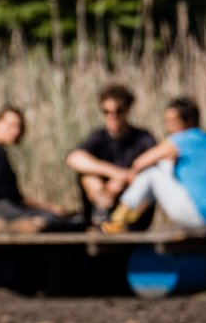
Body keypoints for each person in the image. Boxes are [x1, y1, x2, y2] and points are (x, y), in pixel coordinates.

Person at [102, 97, 206, 233]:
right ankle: (131, 217)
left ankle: (117, 219)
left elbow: (140, 162)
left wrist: (127, 177)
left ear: (189, 121)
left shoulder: (185, 138)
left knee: (152, 173)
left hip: (201, 216)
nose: (168, 127)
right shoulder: (204, 138)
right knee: (163, 167)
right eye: (166, 122)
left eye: (172, 122)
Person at [0, 106, 80, 232]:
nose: (15, 131)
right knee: (54, 218)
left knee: (49, 216)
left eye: (18, 127)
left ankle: (12, 226)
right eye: (11, 125)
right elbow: (12, 196)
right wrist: (49, 208)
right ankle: (15, 226)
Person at [65, 84, 158, 230]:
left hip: (133, 210)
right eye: (107, 111)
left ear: (128, 110)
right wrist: (115, 173)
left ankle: (118, 220)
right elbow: (74, 158)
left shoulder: (143, 138)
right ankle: (104, 214)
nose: (112, 116)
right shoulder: (99, 136)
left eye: (118, 111)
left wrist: (125, 180)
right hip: (104, 201)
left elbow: (157, 169)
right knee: (87, 176)